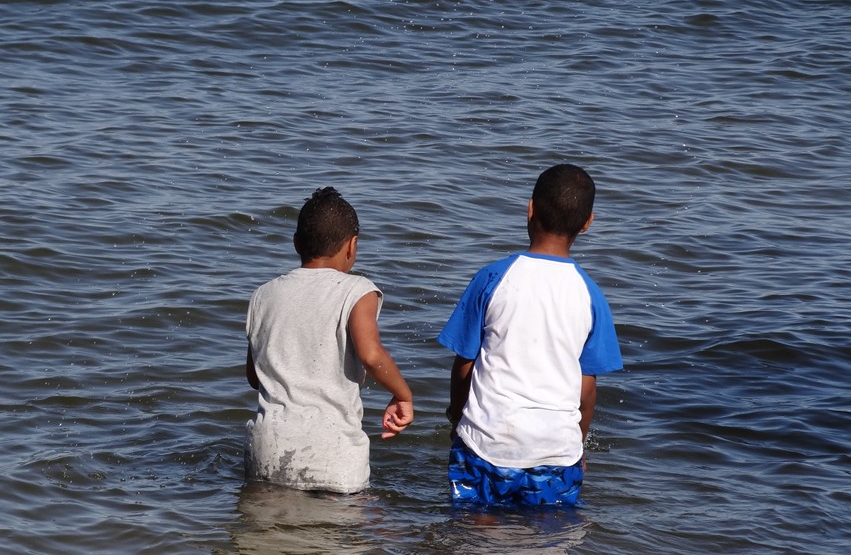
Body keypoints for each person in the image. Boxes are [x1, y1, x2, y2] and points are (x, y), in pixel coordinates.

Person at [437, 164, 622, 507]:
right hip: (556, 451)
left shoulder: (493, 278)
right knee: (550, 532)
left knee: (473, 530)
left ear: (530, 209)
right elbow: (586, 387)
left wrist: (458, 420)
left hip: (485, 443)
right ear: (588, 222)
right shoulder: (590, 295)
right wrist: (577, 444)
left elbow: (464, 366)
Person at [245, 186, 413, 494]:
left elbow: (255, 377)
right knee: (347, 524)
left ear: (296, 243)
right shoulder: (358, 290)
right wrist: (403, 396)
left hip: (267, 451)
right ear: (352, 246)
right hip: (332, 457)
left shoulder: (262, 295)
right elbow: (371, 355)